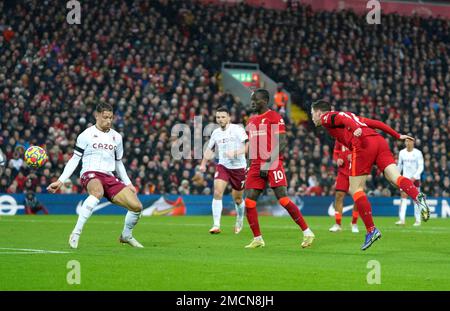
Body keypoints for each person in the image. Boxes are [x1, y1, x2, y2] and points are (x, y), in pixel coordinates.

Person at [311, 99, 430, 250]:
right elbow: (375, 123)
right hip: (379, 141)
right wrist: (396, 135)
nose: (312, 117)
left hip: (363, 145)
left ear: (319, 112)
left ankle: (371, 230)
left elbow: (342, 119)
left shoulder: (326, 117)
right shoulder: (352, 115)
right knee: (395, 178)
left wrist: (354, 129)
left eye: (312, 113)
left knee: (356, 190)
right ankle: (417, 196)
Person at [47, 103, 144, 249]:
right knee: (97, 192)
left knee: (136, 207)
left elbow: (118, 163)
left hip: (109, 176)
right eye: (105, 117)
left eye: (111, 118)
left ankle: (126, 236)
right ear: (97, 116)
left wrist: (128, 183)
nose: (108, 121)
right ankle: (76, 232)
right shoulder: (86, 135)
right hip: (90, 173)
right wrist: (60, 180)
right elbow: (75, 159)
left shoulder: (117, 137)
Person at [244, 89, 315, 248]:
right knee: (249, 201)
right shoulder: (252, 122)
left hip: (273, 162)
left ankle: (307, 232)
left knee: (282, 198)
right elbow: (253, 146)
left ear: (264, 100)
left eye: (255, 100)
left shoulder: (275, 117)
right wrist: (249, 166)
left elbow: (282, 142)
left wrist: (268, 163)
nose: (252, 103)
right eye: (252, 100)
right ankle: (258, 239)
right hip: (256, 164)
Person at [200, 106, 248, 234]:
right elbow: (209, 149)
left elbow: (248, 146)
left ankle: (239, 218)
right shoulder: (216, 133)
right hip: (223, 166)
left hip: (239, 168)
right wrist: (203, 164)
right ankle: (216, 225)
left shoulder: (237, 129)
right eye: (218, 117)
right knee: (217, 192)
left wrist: (236, 153)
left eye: (222, 117)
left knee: (237, 199)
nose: (220, 119)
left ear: (228, 118)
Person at [329, 141, 359, 233]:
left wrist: (355, 157)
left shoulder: (358, 136)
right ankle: (337, 224)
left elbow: (365, 152)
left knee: (358, 198)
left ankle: (354, 223)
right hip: (343, 171)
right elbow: (336, 152)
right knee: (339, 196)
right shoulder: (339, 138)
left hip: (356, 172)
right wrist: (337, 159)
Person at [396, 138, 424, 226]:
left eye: (409, 141)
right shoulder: (402, 152)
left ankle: (418, 220)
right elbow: (399, 165)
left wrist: (415, 177)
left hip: (415, 179)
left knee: (416, 199)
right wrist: (396, 176)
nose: (407, 143)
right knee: (403, 197)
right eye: (406, 141)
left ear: (413, 142)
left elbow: (421, 166)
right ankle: (402, 219)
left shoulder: (418, 153)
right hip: (405, 179)